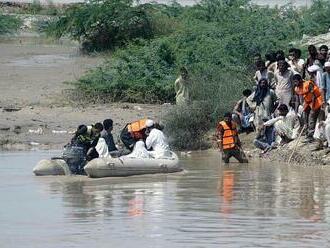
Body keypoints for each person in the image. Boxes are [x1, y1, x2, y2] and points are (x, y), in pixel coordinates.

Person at [293, 74, 323, 141]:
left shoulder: (308, 84)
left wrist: (312, 107)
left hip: (316, 100)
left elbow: (313, 95)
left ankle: (311, 135)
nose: (295, 83)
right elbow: (297, 100)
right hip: (307, 102)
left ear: (300, 80)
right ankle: (307, 133)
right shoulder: (296, 88)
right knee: (305, 116)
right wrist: (296, 110)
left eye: (296, 81)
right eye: (294, 82)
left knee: (311, 117)